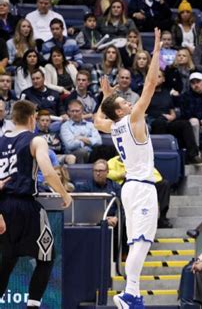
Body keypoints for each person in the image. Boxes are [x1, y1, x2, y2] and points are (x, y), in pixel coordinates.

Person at [93, 27, 161, 307]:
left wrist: (106, 97)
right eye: (124, 102)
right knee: (142, 243)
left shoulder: (113, 126)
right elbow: (151, 84)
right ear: (122, 111)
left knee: (136, 243)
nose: (130, 102)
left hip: (129, 188)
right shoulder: (133, 121)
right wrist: (156, 50)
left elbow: (98, 120)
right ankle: (130, 293)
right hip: (142, 188)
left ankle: (133, 292)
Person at [0, 100, 72, 309]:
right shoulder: (36, 140)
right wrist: (64, 195)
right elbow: (49, 173)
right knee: (47, 257)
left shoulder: (1, 140)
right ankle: (33, 306)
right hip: (25, 206)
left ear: (12, 118)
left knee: (8, 259)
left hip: (3, 206)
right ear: (33, 118)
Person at [107, 154, 174, 228]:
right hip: (124, 186)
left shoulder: (140, 161)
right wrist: (122, 175)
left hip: (141, 185)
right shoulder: (112, 161)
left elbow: (157, 176)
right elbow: (107, 173)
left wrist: (142, 177)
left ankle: (162, 218)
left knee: (164, 184)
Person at [77, 159, 122, 227]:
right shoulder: (85, 187)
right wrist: (102, 219)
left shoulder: (115, 187)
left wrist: (116, 217)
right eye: (95, 171)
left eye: (100, 171)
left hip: (113, 222)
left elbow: (121, 207)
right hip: (92, 222)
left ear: (107, 172)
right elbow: (82, 208)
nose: (97, 173)